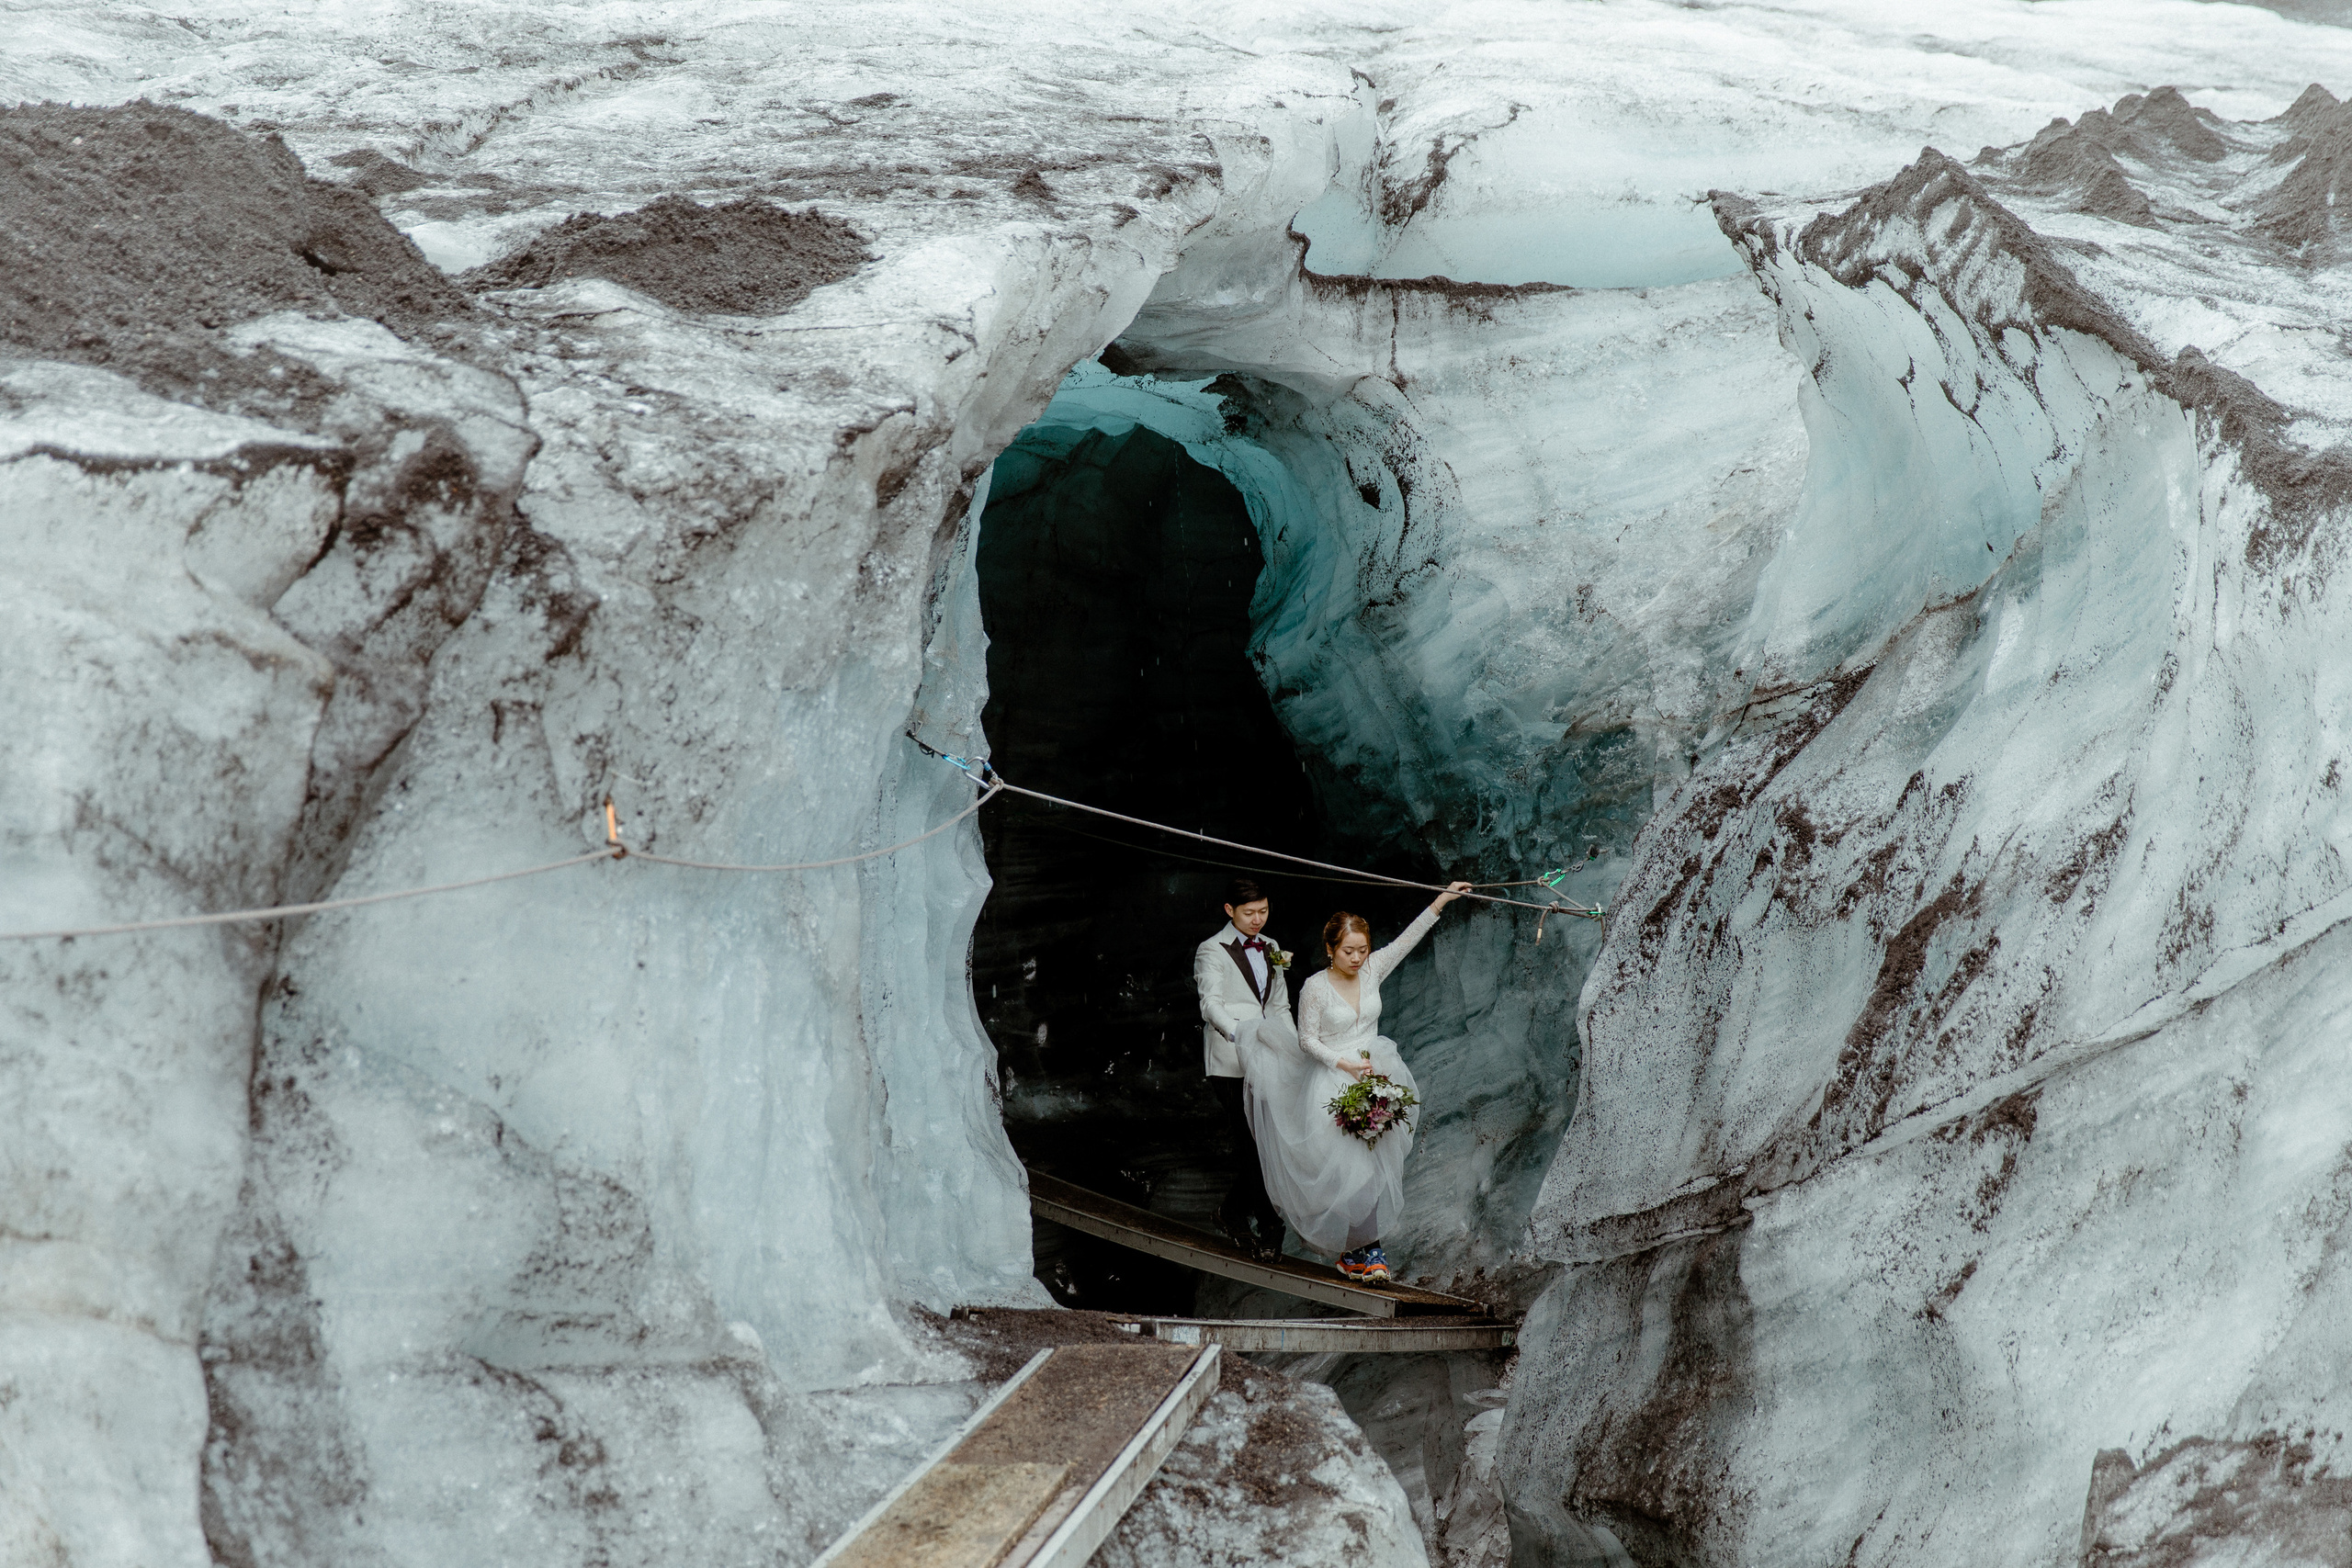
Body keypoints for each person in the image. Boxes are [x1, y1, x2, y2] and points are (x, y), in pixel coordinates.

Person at [1232, 880, 1474, 1282]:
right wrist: (1342, 1063)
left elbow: (1406, 941)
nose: (1358, 958)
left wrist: (1442, 900)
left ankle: (1360, 1253)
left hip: (1376, 1074)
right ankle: (1366, 1252)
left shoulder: (1373, 968)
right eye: (1349, 951)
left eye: (1362, 950)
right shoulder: (1315, 988)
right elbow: (1307, 1041)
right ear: (1330, 949)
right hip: (1332, 1082)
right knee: (1350, 1174)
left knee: (1376, 1168)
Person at [1191, 877, 1292, 1260]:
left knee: (1268, 1142)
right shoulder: (1211, 949)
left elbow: (1278, 1005)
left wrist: (1291, 1045)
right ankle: (1270, 1226)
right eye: (1249, 913)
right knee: (1250, 1142)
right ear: (1229, 911)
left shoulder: (1272, 947)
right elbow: (1210, 1004)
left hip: (1270, 1056)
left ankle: (1231, 1211)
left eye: (1263, 911)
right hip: (1230, 1061)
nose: (1257, 920)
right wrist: (1238, 1034)